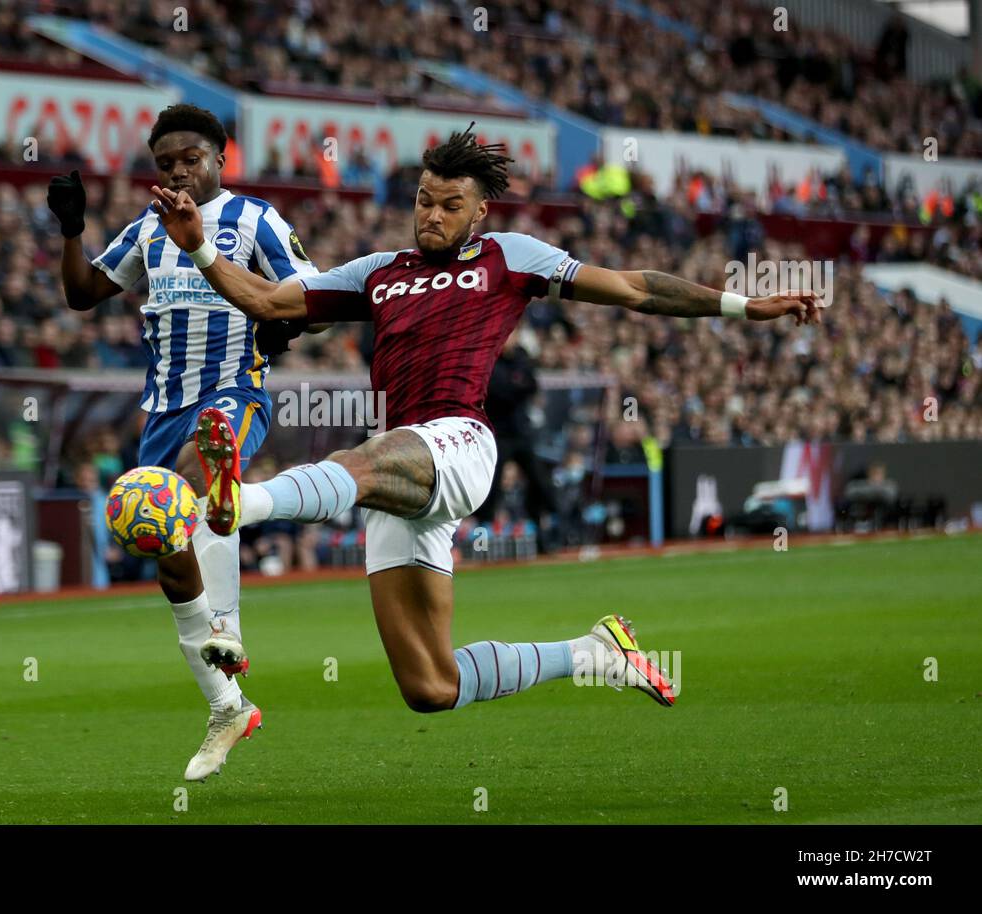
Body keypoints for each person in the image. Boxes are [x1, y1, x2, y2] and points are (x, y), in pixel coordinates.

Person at [150, 125, 821, 719]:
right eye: (423, 202)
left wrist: (744, 306)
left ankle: (238, 500)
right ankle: (593, 653)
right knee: (429, 687)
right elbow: (268, 299)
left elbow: (636, 287)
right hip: (397, 484)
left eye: (449, 206)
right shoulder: (377, 273)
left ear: (478, 212)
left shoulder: (507, 258)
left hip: (459, 443)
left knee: (364, 455)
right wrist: (203, 250)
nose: (432, 217)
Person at [48, 103, 320, 781]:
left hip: (233, 391)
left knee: (206, 465)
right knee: (167, 549)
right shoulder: (145, 229)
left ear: (219, 160)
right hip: (162, 411)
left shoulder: (255, 219)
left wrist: (284, 323)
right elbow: (84, 294)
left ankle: (227, 627)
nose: (176, 172)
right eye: (165, 162)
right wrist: (70, 228)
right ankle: (226, 705)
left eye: (189, 159)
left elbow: (311, 294)